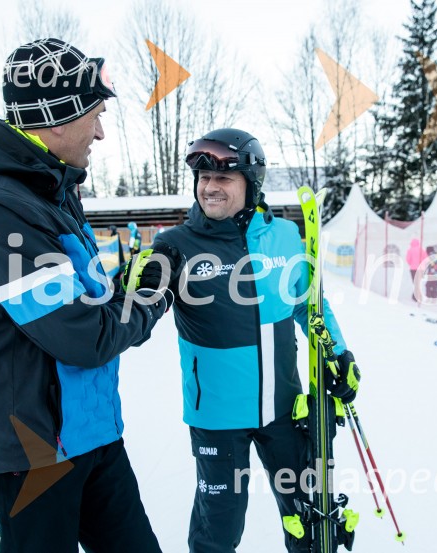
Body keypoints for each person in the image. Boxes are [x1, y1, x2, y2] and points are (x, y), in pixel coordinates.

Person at [0, 38, 169, 553]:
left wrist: (127, 283)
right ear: (61, 118)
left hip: (89, 432)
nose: (102, 132)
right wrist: (151, 299)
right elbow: (81, 334)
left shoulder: (51, 192)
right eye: (97, 115)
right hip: (30, 454)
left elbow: (86, 299)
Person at [123, 129, 361, 552]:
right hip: (216, 418)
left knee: (307, 516)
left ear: (250, 184)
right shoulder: (175, 246)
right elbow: (138, 313)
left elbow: (308, 306)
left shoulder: (287, 238)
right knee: (220, 528)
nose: (210, 188)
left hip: (285, 410)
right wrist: (136, 294)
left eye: (223, 179)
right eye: (203, 178)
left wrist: (337, 354)